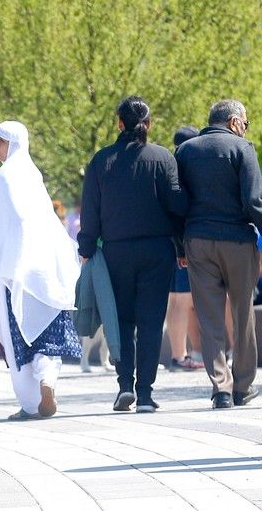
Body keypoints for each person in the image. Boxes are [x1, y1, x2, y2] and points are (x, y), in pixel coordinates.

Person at [78, 96, 187, 413]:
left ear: (119, 124)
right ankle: (146, 395)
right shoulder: (163, 159)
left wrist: (87, 248)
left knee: (121, 319)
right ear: (148, 125)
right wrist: (181, 247)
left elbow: (90, 212)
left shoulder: (102, 161)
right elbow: (177, 206)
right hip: (157, 250)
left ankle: (124, 386)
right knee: (152, 322)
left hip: (116, 252)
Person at [176, 99, 261, 409]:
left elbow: (176, 201)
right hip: (237, 241)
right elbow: (254, 200)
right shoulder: (243, 149)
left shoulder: (186, 151)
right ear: (235, 122)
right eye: (246, 124)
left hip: (197, 241)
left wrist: (179, 245)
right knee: (242, 315)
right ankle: (242, 386)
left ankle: (221, 389)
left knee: (209, 317)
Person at [0, 122, 80, 419]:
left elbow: (9, 224)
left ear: (13, 144)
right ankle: (48, 381)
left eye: (0, 142)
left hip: (17, 268)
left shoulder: (3, 176)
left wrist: (6, 261)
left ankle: (30, 404)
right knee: (48, 334)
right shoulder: (33, 174)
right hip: (47, 266)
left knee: (20, 337)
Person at [165, 125, 204, 372]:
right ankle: (179, 356)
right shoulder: (183, 171)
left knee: (177, 301)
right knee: (182, 300)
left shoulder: (169, 167)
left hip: (169, 242)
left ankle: (181, 353)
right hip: (181, 244)